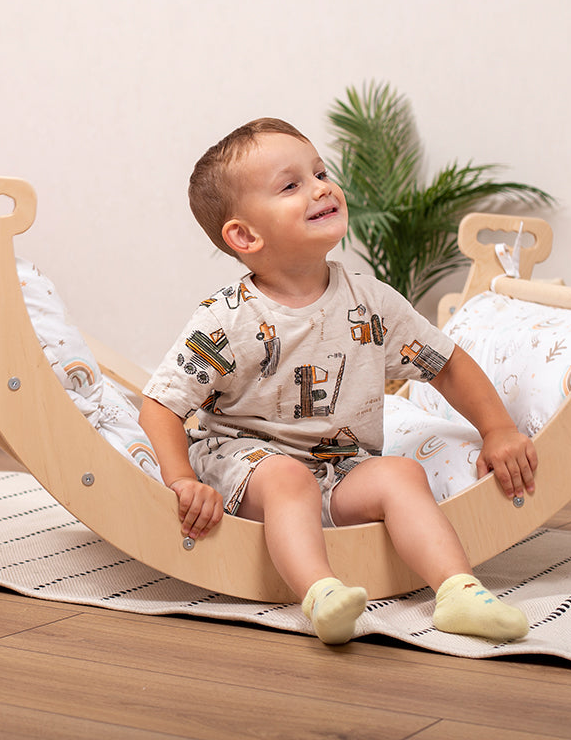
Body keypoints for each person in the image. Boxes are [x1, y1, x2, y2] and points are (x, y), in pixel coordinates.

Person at [139, 117, 537, 645]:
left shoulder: (371, 301)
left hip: (341, 464)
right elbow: (160, 406)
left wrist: (498, 429)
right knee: (288, 480)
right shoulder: (227, 318)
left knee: (399, 475)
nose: (322, 187)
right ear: (244, 235)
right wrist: (181, 481)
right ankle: (321, 595)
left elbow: (446, 363)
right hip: (245, 460)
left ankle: (458, 591)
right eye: (291, 184)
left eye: (320, 171)